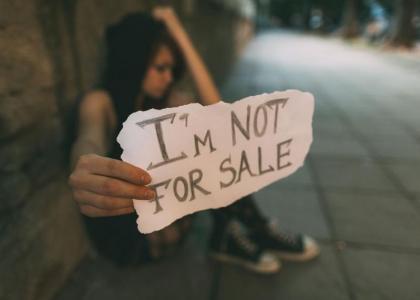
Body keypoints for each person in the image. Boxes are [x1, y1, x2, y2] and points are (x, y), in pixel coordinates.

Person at [68, 7, 319, 274]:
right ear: (134, 61)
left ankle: (239, 231)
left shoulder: (161, 103)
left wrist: (178, 30)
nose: (168, 77)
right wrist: (84, 164)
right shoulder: (100, 102)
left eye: (172, 69)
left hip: (173, 228)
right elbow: (88, 140)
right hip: (135, 242)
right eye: (160, 68)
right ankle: (249, 230)